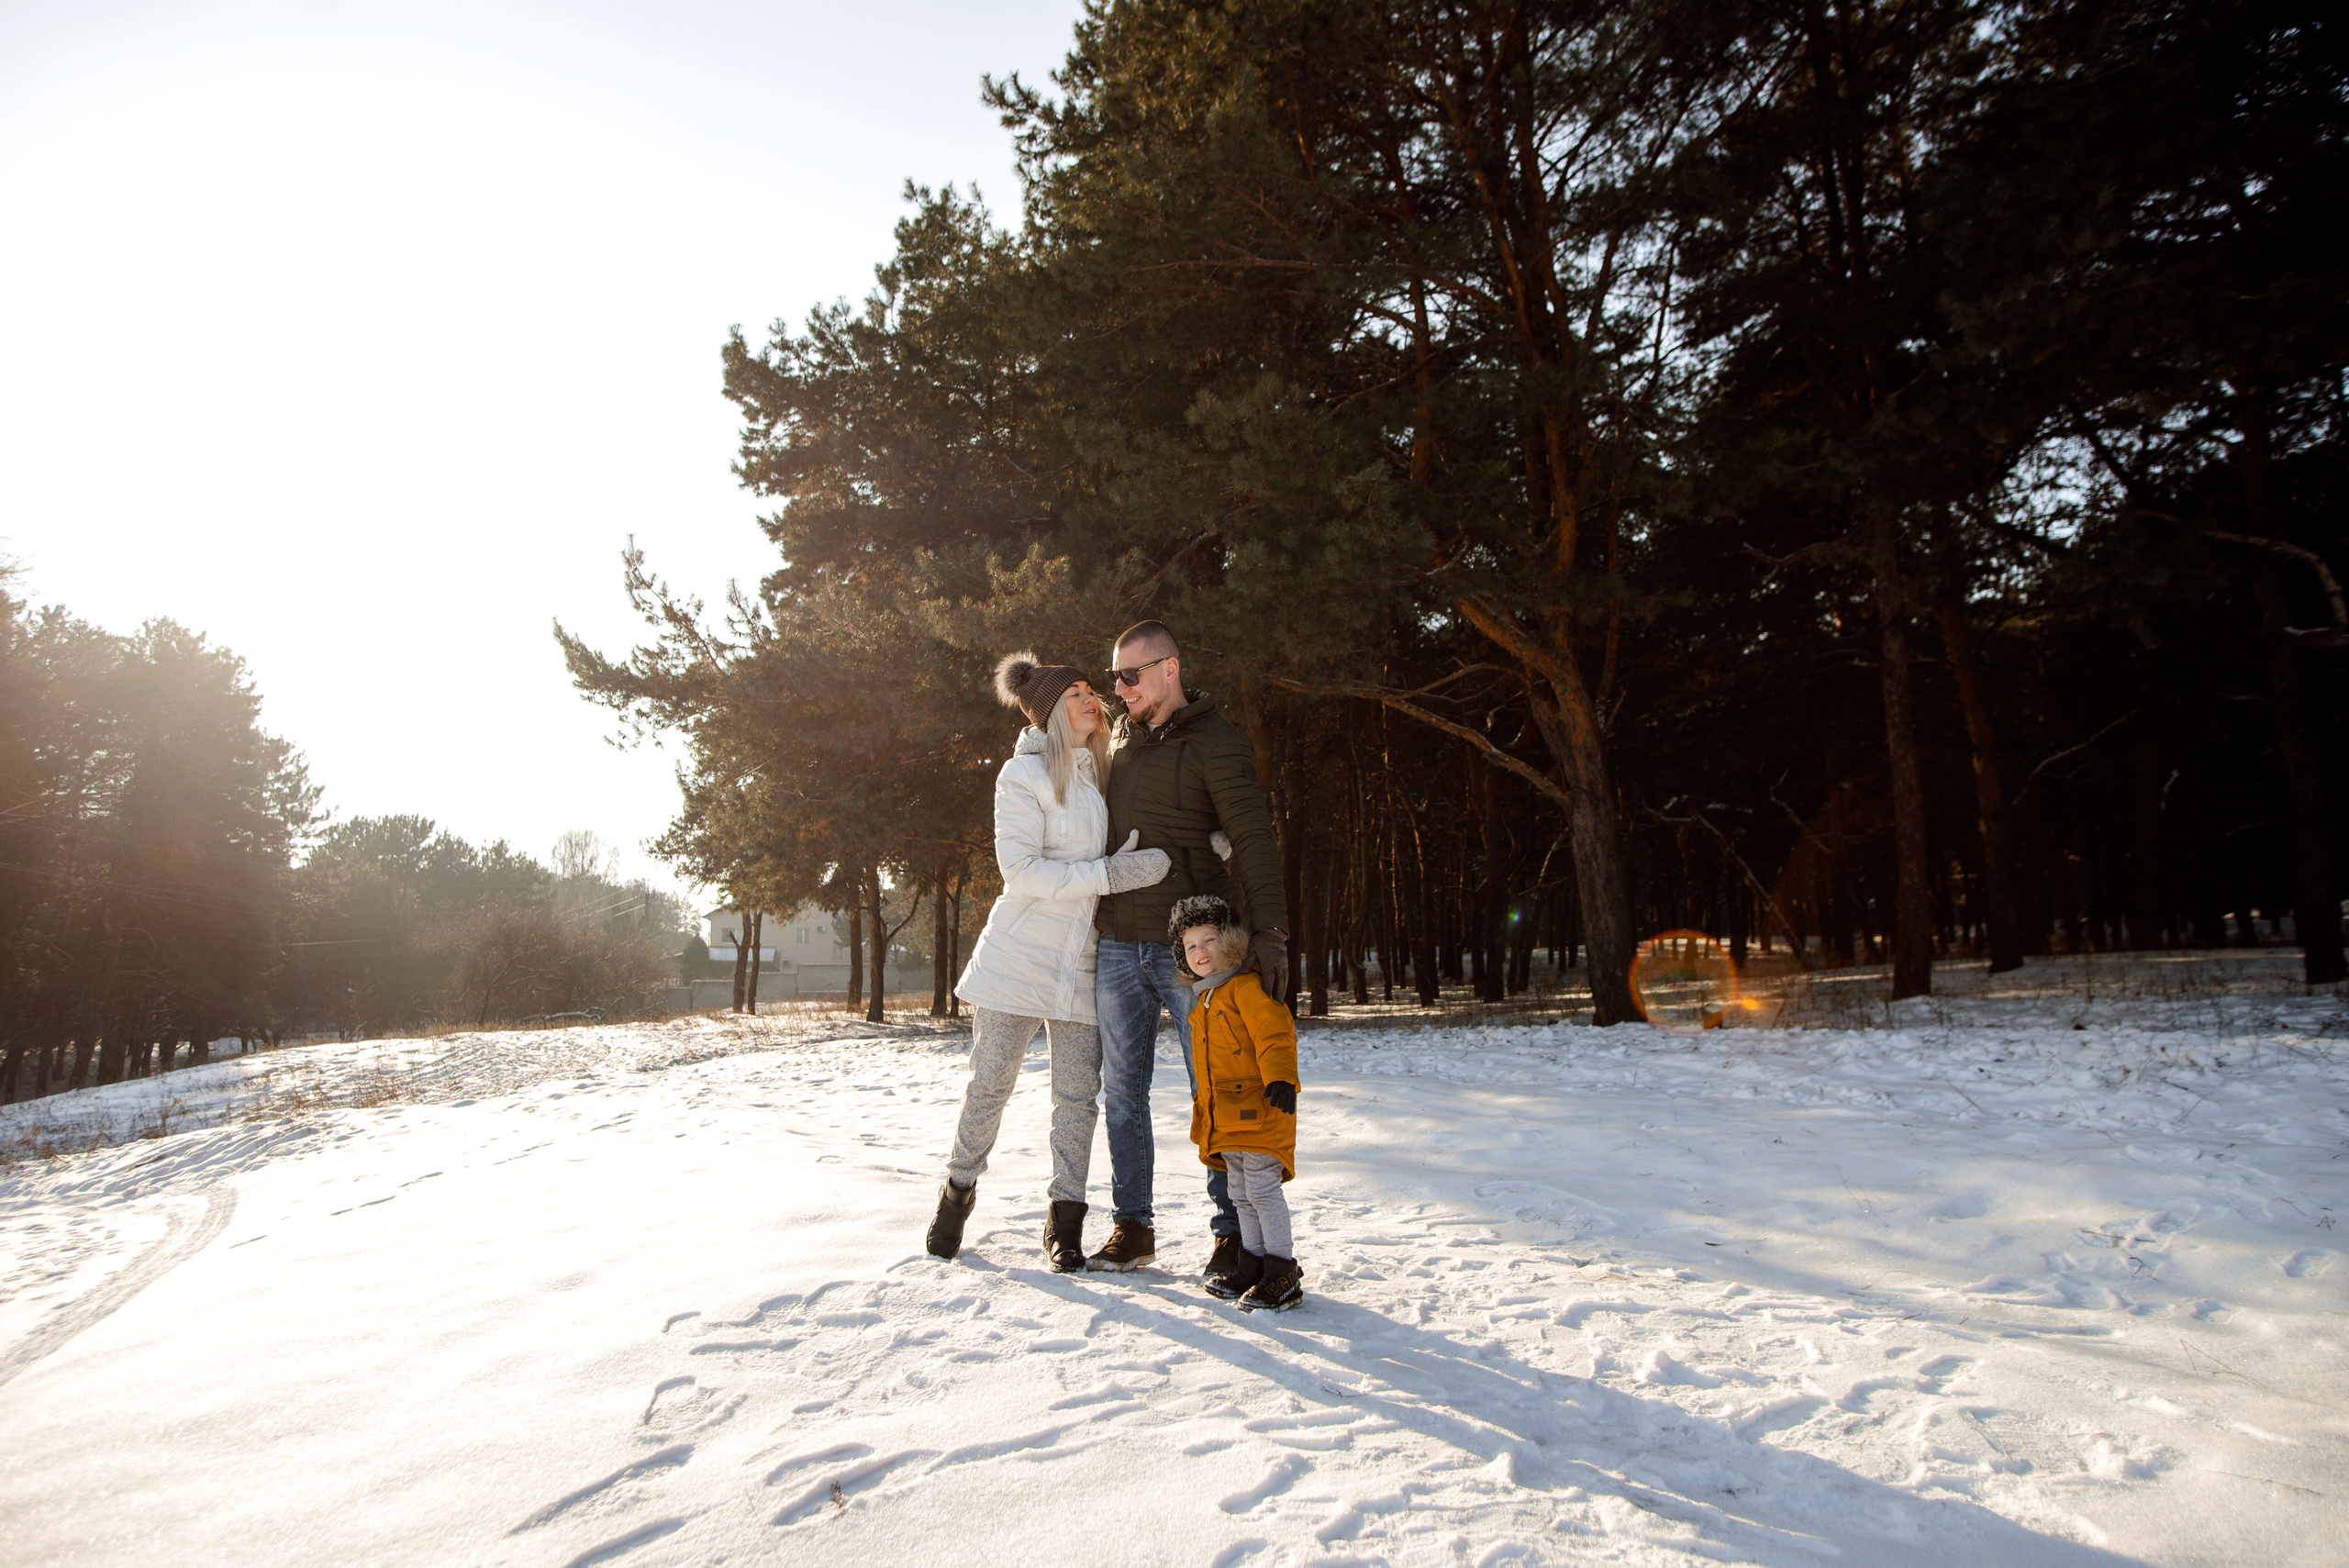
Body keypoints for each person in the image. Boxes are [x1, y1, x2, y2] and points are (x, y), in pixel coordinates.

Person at [926, 651, 1171, 1272]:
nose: (1092, 698)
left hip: (1084, 960)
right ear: (1050, 713)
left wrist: (1201, 845)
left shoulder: (1105, 774)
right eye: (1075, 693)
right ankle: (957, 1191)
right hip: (1018, 956)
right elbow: (1022, 871)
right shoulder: (1023, 774)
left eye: (1092, 689)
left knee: (1077, 1099)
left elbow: (1145, 831)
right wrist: (1108, 875)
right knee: (990, 1085)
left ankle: (1065, 1222)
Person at [1086, 619, 1290, 1291]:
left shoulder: (1217, 743)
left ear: (1170, 668)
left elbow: (1252, 835)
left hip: (1194, 954)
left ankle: (1233, 1235)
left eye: (1131, 675)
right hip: (1119, 942)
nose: (1120, 689)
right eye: (1114, 677)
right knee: (1123, 1093)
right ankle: (1133, 1224)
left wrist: (1269, 931)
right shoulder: (1117, 742)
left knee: (1219, 1088)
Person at [1171, 895, 1304, 1311]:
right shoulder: (1204, 1001)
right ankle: (1253, 1264)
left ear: (1230, 941)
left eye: (1209, 940)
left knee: (1262, 1190)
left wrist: (1281, 1077)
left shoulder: (1245, 986)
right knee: (1240, 1193)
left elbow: (1274, 1031)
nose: (1200, 951)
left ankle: (1282, 1271)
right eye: (1190, 946)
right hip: (1226, 1117)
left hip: (1261, 1107)